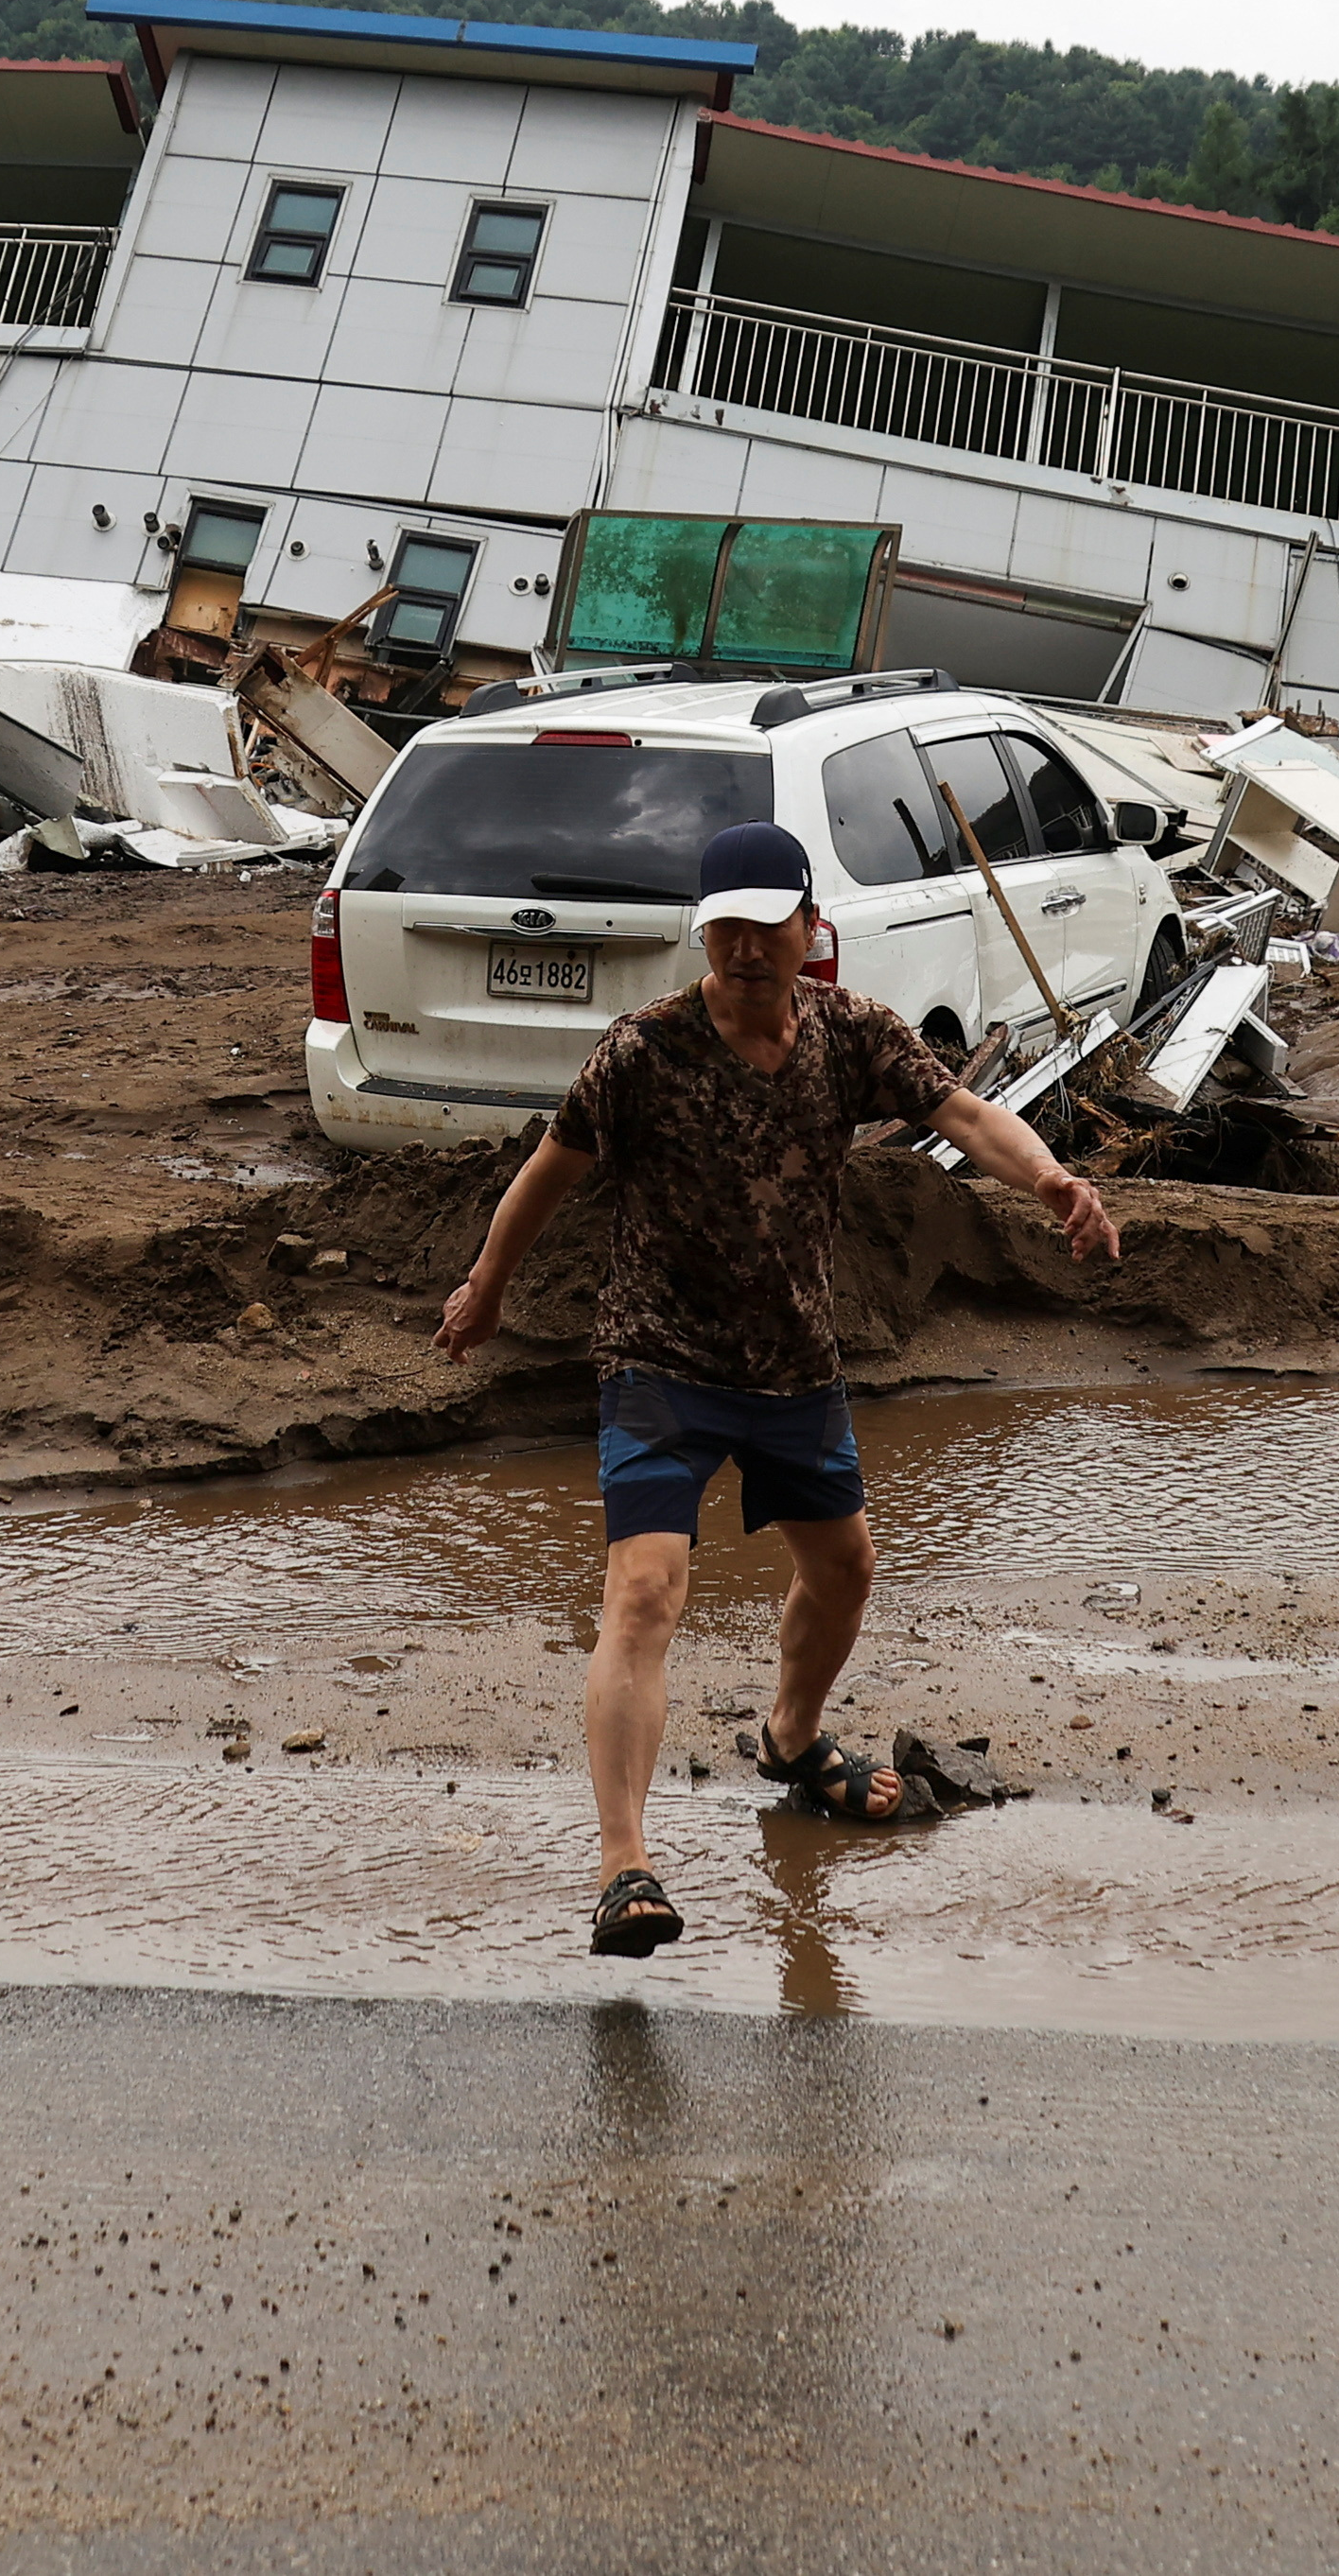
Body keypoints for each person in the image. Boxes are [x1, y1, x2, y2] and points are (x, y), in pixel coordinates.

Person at [432, 818, 1122, 1957]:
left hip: (794, 1362)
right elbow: (543, 1176)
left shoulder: (851, 1036)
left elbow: (959, 1111)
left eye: (770, 924)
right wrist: (486, 1286)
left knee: (844, 1570)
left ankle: (793, 1739)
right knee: (645, 1593)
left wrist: (1050, 1180)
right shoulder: (641, 1051)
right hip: (659, 1360)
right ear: (703, 933)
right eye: (726, 928)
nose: (747, 946)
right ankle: (623, 1865)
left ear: (812, 927)